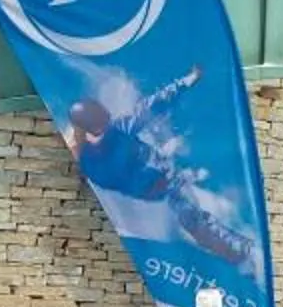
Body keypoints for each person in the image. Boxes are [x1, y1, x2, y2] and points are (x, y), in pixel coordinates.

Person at [64, 72, 257, 268]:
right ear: (87, 132)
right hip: (153, 188)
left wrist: (184, 82)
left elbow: (150, 108)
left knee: (189, 204)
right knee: (188, 214)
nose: (105, 133)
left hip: (165, 172)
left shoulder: (117, 130)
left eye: (105, 127)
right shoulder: (93, 163)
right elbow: (115, 181)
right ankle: (240, 252)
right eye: (99, 131)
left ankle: (239, 248)